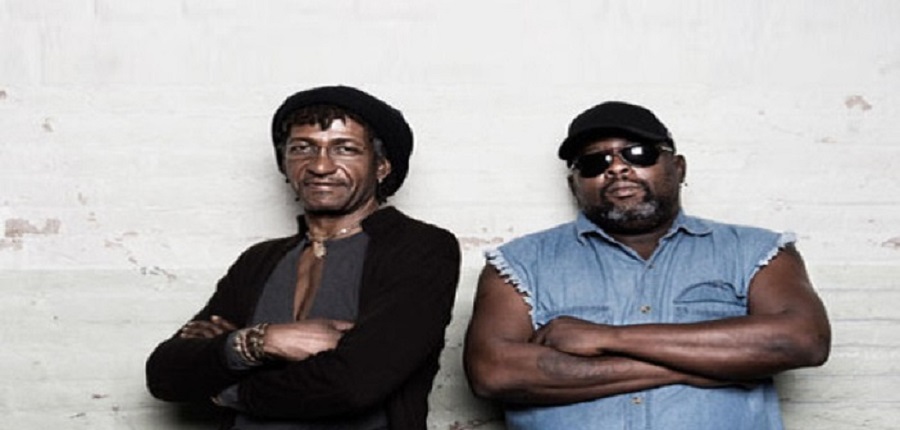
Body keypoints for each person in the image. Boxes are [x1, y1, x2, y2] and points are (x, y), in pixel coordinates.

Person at [463, 101, 831, 429]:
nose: (617, 169)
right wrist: (711, 364)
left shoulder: (754, 251)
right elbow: (494, 372)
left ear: (679, 167)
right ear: (574, 184)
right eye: (594, 162)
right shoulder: (520, 263)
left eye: (638, 154)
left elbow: (803, 340)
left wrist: (606, 337)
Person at [146, 85, 461, 430]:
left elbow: (353, 384)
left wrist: (227, 389)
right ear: (285, 164)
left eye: (345, 149)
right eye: (302, 148)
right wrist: (262, 341)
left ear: (382, 167)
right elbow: (164, 374)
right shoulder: (259, 260)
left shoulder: (421, 248)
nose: (320, 166)